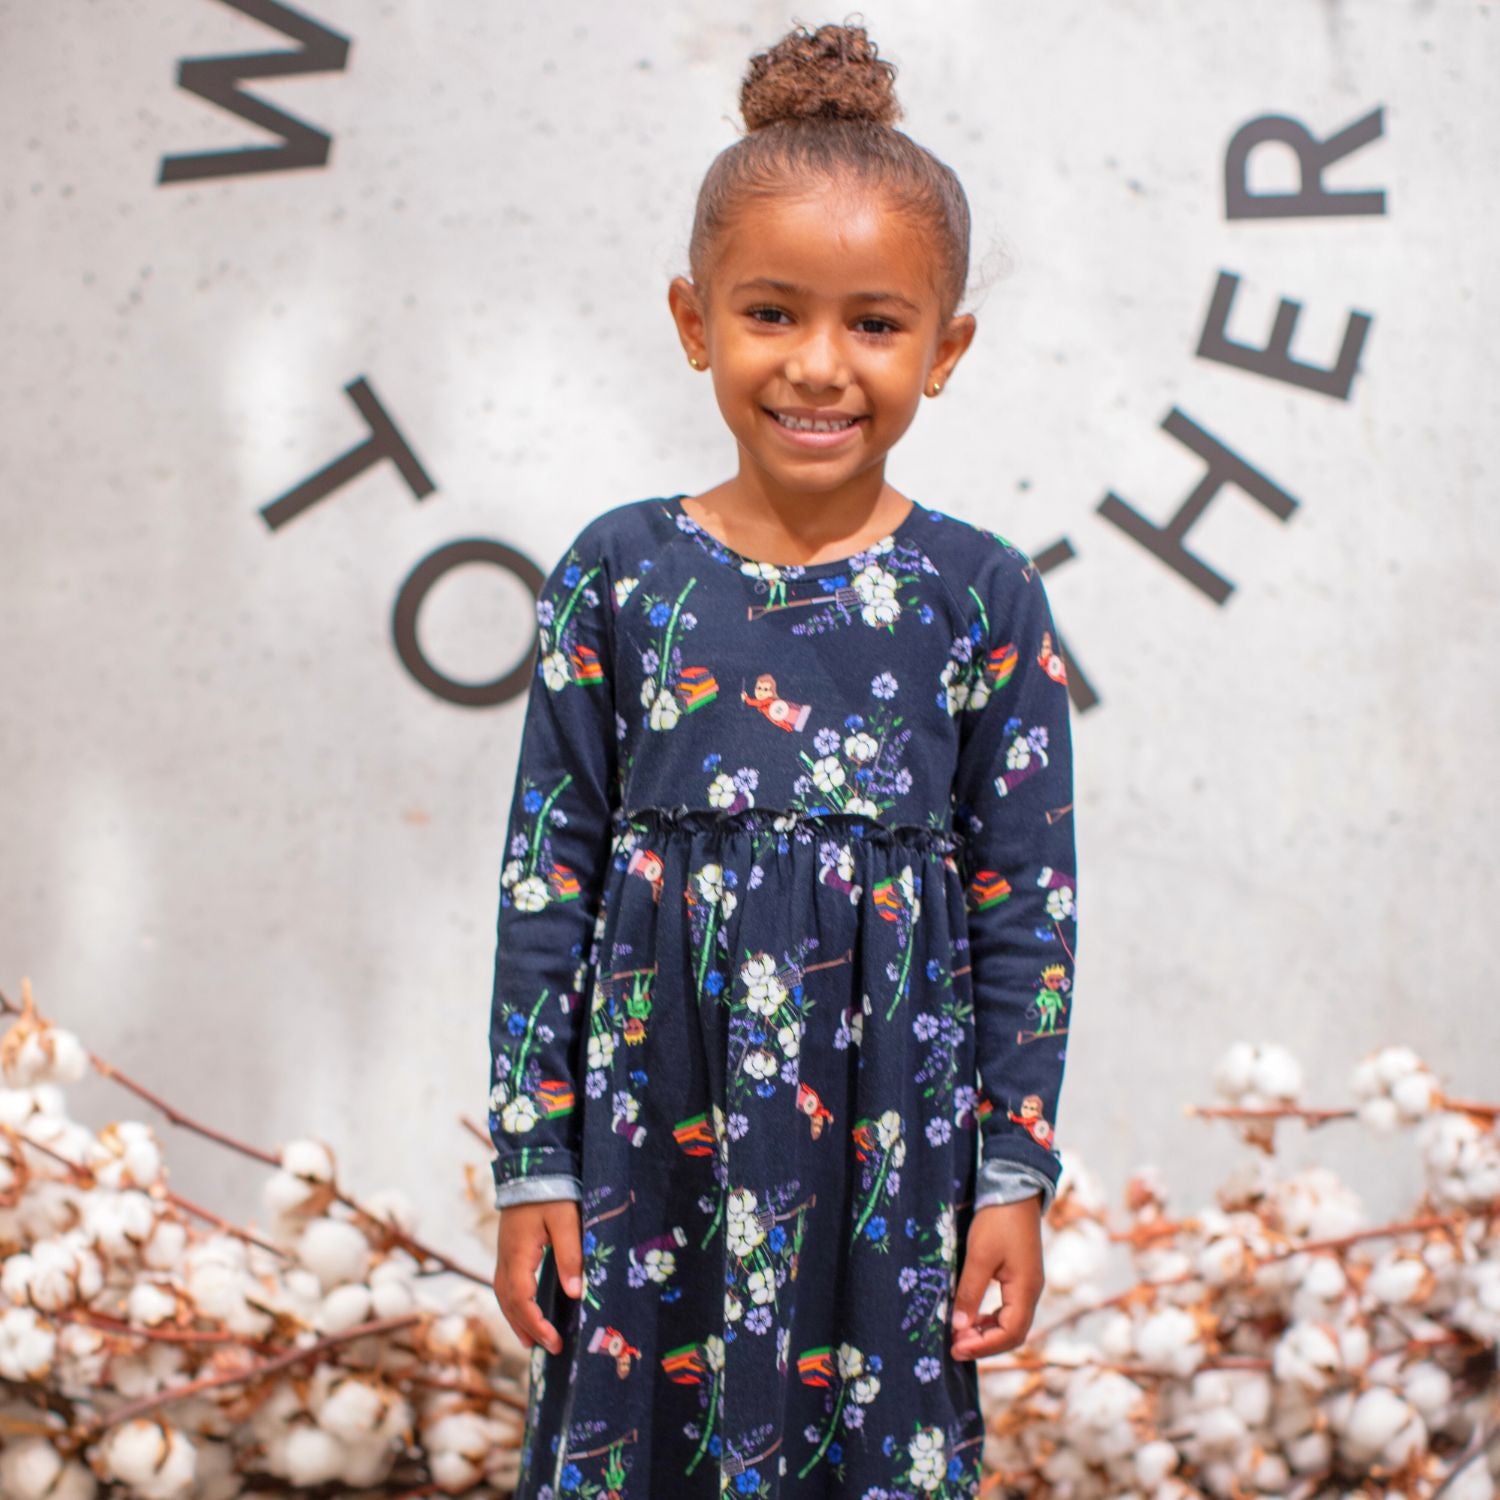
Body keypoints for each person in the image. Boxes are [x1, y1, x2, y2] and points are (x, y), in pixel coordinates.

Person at [486, 20, 1078, 1498]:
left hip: (892, 1136)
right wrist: (533, 1161)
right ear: (694, 320)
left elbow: (1029, 903)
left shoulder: (980, 593)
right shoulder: (617, 577)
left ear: (947, 349)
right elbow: (543, 880)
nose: (820, 366)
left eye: (876, 324)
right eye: (771, 314)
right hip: (650, 1131)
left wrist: (1014, 1173)